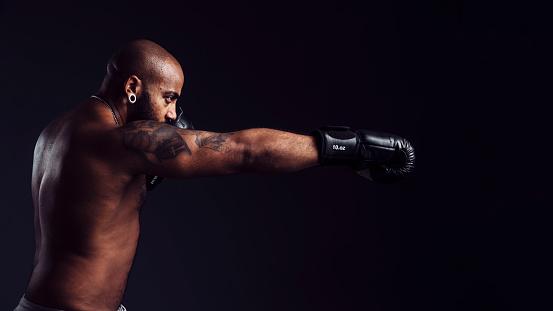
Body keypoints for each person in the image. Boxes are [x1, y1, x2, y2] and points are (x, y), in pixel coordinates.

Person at [14, 39, 415, 311]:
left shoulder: (58, 130)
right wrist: (349, 147)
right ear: (133, 86)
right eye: (169, 98)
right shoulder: (122, 141)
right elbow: (243, 151)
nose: (172, 114)